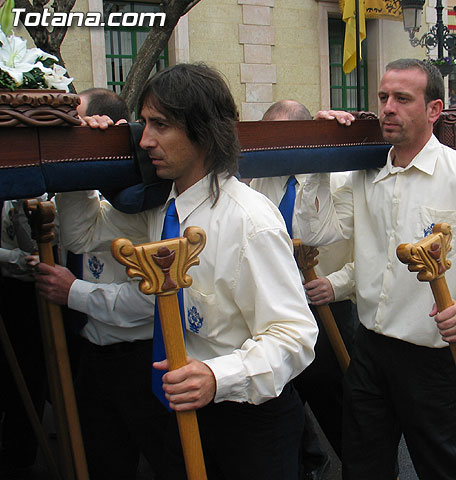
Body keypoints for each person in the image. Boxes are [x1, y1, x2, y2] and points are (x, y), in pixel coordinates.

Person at [51, 63, 318, 479]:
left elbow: (295, 336)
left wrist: (217, 375)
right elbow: (81, 234)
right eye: (144, 124)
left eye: (161, 125)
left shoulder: (250, 221)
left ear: (204, 131)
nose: (145, 140)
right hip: (182, 414)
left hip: (249, 421)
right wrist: (83, 152)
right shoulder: (159, 206)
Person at [296, 58, 456, 479]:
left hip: (434, 359)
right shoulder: (364, 174)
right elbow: (319, 234)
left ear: (433, 109)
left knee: (440, 468)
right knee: (363, 466)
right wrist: (318, 156)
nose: (388, 107)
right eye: (384, 97)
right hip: (368, 348)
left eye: (403, 98)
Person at [34, 89, 172, 480]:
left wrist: (73, 292)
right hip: (95, 356)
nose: (69, 130)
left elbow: (154, 299)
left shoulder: (155, 200)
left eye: (77, 122)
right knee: (102, 463)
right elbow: (78, 238)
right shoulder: (110, 201)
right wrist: (80, 162)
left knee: (168, 462)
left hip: (146, 358)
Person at [250, 99, 358, 479]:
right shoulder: (256, 179)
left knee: (338, 406)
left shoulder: (342, 177)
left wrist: (337, 283)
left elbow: (358, 247)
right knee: (281, 396)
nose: (273, 150)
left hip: (328, 310)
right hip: (273, 310)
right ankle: (309, 461)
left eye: (283, 140)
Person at [0, 199, 46, 476]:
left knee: (27, 375)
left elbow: (32, 257)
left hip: (24, 298)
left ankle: (20, 453)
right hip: (7, 287)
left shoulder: (32, 196)